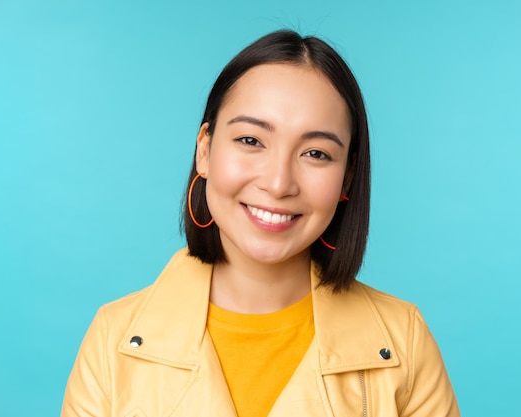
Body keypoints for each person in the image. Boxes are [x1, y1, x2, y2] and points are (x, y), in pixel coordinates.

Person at [61, 30, 460, 417]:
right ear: (204, 150)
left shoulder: (403, 342)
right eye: (251, 141)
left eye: (316, 153)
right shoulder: (112, 339)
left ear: (347, 177)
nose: (278, 183)